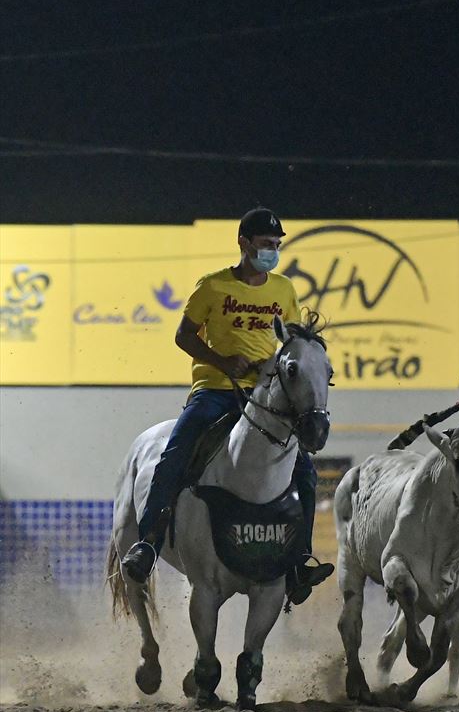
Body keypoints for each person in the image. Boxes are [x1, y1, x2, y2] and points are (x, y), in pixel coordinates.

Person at [121, 206, 335, 601]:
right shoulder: (213, 286)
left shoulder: (284, 290)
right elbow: (183, 335)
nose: (272, 251)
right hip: (216, 390)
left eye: (277, 244)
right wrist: (221, 361)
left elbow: (290, 342)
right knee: (175, 453)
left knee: (305, 471)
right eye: (266, 244)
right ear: (244, 243)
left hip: (264, 397)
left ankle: (298, 561)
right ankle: (148, 543)